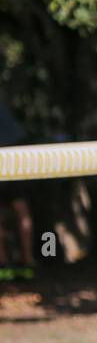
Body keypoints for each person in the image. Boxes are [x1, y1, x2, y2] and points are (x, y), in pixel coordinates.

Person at [0, 98, 36, 280]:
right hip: (14, 152)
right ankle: (19, 263)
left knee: (21, 209)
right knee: (21, 209)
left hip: (13, 154)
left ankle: (17, 264)